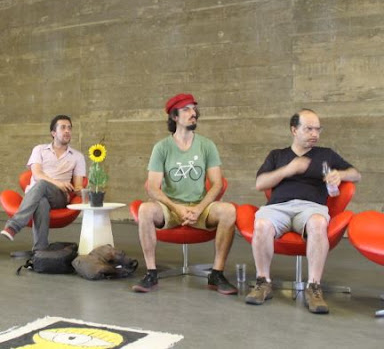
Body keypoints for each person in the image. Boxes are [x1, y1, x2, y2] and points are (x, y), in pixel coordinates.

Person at [246, 109, 360, 313]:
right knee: (261, 224)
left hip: (311, 207)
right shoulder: (277, 155)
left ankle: (314, 287)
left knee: (318, 222)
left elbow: (356, 174)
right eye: (309, 129)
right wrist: (288, 170)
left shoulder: (326, 154)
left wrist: (339, 175)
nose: (315, 134)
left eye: (318, 129)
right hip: (278, 207)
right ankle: (263, 282)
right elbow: (260, 183)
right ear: (294, 130)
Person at [132, 93, 238, 294]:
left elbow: (217, 184)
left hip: (200, 206)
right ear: (174, 117)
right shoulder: (161, 148)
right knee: (145, 209)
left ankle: (217, 274)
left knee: (229, 211)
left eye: (194, 109)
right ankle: (151, 273)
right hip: (170, 207)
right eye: (186, 110)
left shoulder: (207, 145)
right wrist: (176, 208)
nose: (193, 113)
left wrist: (199, 209)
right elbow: (152, 187)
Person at [0, 115, 86, 251]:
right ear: (53, 133)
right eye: (63, 128)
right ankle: (40, 250)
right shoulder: (39, 149)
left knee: (41, 184)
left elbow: (78, 185)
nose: (67, 131)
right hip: (38, 194)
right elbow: (37, 174)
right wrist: (58, 183)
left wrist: (80, 190)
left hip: (59, 196)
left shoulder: (77, 156)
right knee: (42, 201)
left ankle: (13, 226)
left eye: (69, 128)